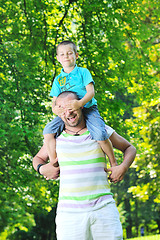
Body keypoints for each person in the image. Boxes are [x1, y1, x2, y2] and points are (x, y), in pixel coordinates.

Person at [33, 91, 136, 240]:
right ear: (58, 112)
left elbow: (130, 148)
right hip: (69, 214)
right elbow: (37, 158)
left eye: (71, 106)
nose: (68, 112)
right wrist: (42, 168)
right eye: (62, 108)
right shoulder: (55, 138)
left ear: (81, 105)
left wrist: (123, 167)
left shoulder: (100, 131)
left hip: (104, 209)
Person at [43, 40, 117, 168]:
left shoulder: (83, 72)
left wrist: (80, 103)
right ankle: (54, 162)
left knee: (100, 134)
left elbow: (91, 92)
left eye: (69, 53)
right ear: (58, 58)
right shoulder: (58, 79)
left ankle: (113, 162)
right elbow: (54, 100)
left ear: (76, 55)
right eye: (62, 54)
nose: (66, 56)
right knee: (48, 131)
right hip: (68, 113)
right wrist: (55, 110)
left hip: (88, 108)